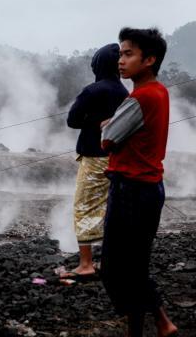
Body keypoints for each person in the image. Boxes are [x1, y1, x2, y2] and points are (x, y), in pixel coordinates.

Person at [100, 27, 177, 337]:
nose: (121, 60)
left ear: (149, 60)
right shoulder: (160, 92)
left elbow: (107, 139)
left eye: (128, 54)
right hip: (149, 187)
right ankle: (156, 324)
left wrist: (109, 125)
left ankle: (161, 321)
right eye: (120, 53)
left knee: (115, 269)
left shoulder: (140, 97)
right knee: (136, 264)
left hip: (130, 188)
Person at [63, 43, 128, 280]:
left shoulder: (93, 90)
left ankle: (86, 264)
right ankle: (107, 261)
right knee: (109, 208)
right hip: (116, 157)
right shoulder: (124, 92)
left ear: (98, 65)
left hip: (94, 156)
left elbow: (72, 120)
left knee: (85, 206)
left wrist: (92, 120)